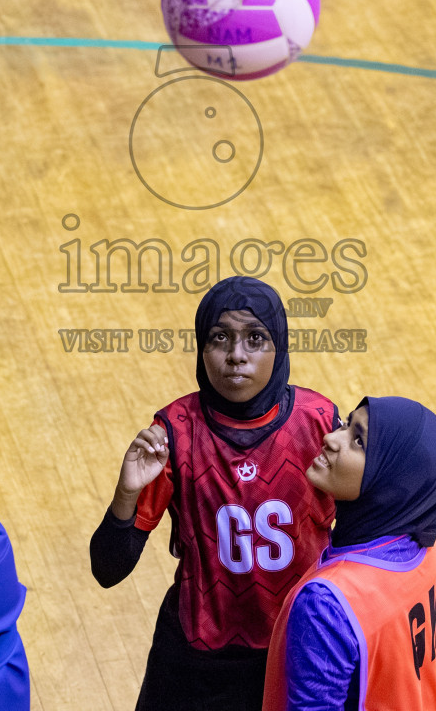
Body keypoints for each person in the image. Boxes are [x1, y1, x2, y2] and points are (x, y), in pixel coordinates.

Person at [91, 276, 341, 711]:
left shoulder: (321, 423)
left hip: (299, 648)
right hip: (195, 659)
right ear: (201, 349)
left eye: (255, 339)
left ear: (280, 347)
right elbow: (107, 570)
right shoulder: (172, 433)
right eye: (219, 338)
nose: (236, 355)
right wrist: (126, 493)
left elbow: (367, 537)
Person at [263, 397, 436, 711]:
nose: (331, 438)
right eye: (346, 424)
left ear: (393, 480)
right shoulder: (427, 550)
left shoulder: (325, 604)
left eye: (358, 442)